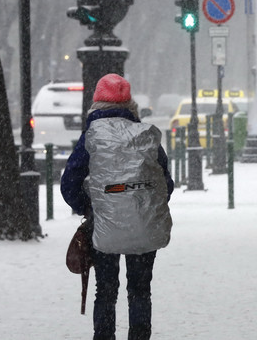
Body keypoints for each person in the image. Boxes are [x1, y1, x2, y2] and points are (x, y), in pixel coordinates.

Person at [61, 74, 175, 340]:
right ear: (130, 104)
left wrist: (91, 207)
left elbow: (69, 183)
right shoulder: (146, 135)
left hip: (105, 227)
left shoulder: (92, 137)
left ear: (96, 104)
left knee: (106, 290)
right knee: (140, 290)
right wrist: (142, 206)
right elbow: (165, 184)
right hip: (144, 225)